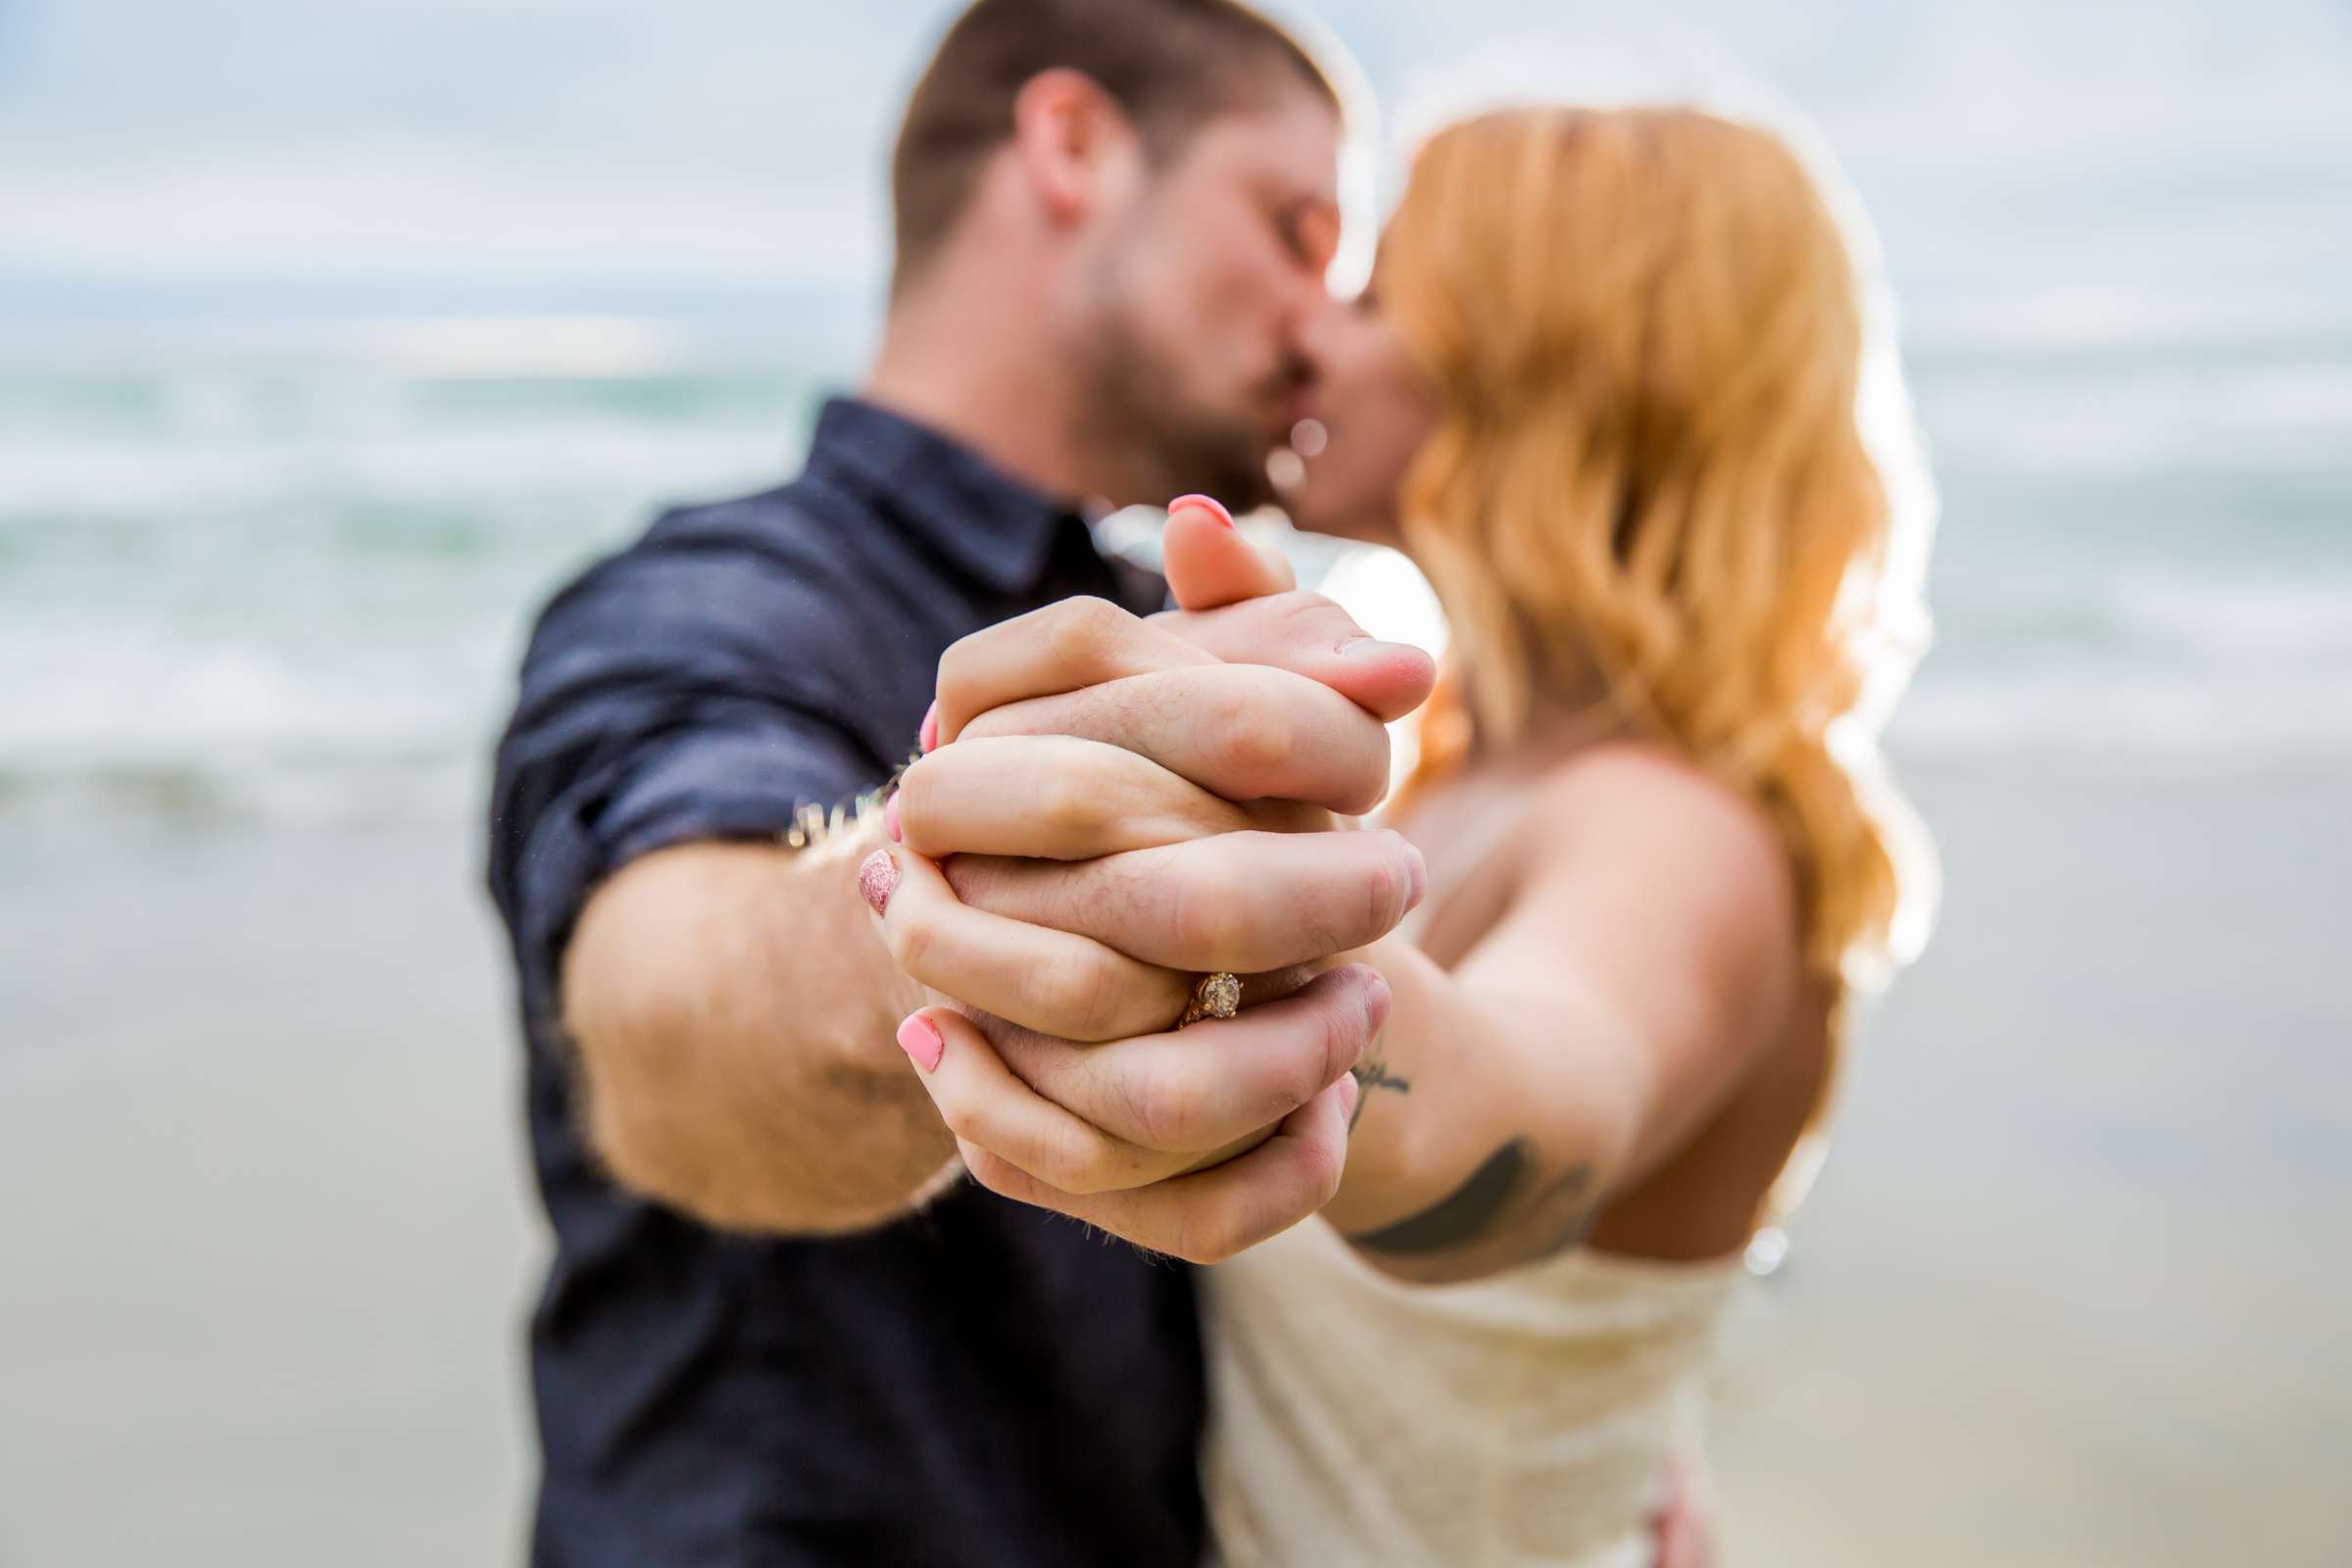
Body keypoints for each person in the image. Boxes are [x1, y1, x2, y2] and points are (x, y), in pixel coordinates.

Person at [877, 104, 1936, 1564]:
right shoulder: (1466, 780)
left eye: (1374, 295)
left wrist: (1259, 955)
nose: (1309, 328)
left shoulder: (1682, 832)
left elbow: (1536, 1107)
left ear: (1551, 357)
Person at [484, 2, 1439, 1561]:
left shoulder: (1181, 620)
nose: (1315, 319)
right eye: (1292, 226)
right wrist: (936, 932)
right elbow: (661, 1006)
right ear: (1071, 144)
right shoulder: (708, 599)